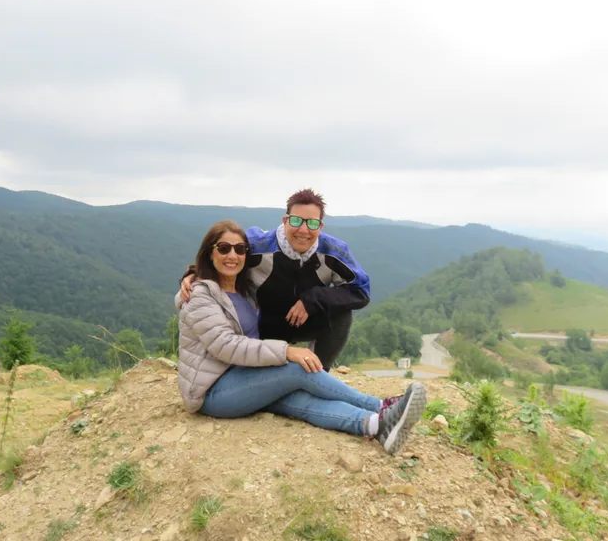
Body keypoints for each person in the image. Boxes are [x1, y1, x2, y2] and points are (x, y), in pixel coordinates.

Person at [177, 220, 426, 455]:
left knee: (302, 401)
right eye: (223, 248)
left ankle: (375, 425)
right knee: (298, 368)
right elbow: (225, 346)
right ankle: (380, 406)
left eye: (240, 249)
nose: (232, 255)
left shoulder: (244, 289)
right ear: (210, 253)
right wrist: (286, 351)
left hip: (245, 378)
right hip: (213, 392)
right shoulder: (200, 296)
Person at [181, 189, 369, 371]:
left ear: (320, 227)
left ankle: (318, 372)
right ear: (285, 220)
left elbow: (361, 291)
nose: (304, 230)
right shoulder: (258, 245)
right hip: (263, 325)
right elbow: (226, 258)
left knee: (341, 314)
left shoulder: (333, 252)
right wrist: (194, 273)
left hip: (307, 321)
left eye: (312, 223)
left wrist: (315, 298)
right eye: (296, 220)